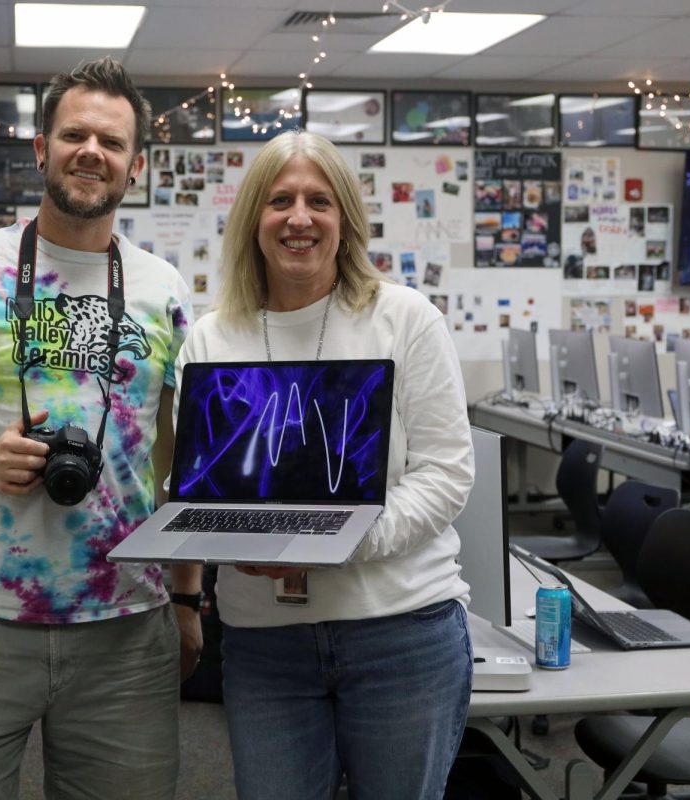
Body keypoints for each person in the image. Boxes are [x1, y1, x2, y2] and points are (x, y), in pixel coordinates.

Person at [0, 57, 202, 800]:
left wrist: (186, 597)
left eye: (112, 142)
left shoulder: (165, 291)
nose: (92, 151)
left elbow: (185, 464)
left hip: (128, 620)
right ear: (41, 149)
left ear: (135, 165)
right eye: (75, 133)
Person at [176, 130, 475, 799]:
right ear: (255, 219)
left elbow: (447, 473)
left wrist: (336, 543)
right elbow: (202, 487)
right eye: (280, 200)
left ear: (346, 219)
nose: (300, 218)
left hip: (402, 631)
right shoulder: (212, 336)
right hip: (264, 644)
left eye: (320, 200)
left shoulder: (405, 320)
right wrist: (212, 550)